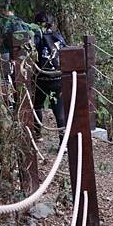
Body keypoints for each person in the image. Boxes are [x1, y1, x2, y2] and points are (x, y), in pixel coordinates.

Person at [33, 11, 67, 140]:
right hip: (58, 77)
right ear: (52, 24)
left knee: (36, 105)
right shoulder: (58, 37)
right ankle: (62, 143)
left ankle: (37, 134)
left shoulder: (36, 37)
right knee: (59, 110)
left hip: (41, 78)